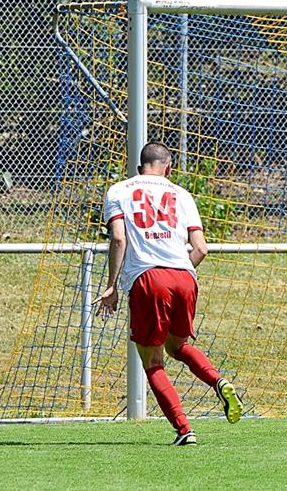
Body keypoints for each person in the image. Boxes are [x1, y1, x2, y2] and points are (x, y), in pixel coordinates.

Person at [95, 141, 243, 446]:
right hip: (184, 276)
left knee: (152, 360)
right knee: (178, 346)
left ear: (139, 166)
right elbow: (201, 248)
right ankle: (218, 381)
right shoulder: (182, 194)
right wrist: (178, 274)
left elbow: (119, 239)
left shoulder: (119, 190)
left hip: (149, 278)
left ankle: (184, 430)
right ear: (169, 167)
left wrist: (111, 286)